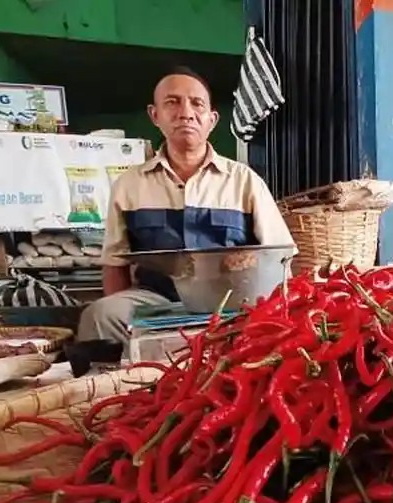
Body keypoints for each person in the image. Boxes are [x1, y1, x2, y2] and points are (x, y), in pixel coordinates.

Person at [77, 67, 295, 346]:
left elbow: (281, 260)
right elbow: (115, 264)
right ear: (154, 115)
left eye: (197, 103)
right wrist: (128, 332)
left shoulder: (244, 181)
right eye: (172, 102)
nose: (185, 112)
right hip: (157, 301)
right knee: (100, 315)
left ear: (212, 120)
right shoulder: (128, 186)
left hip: (232, 302)